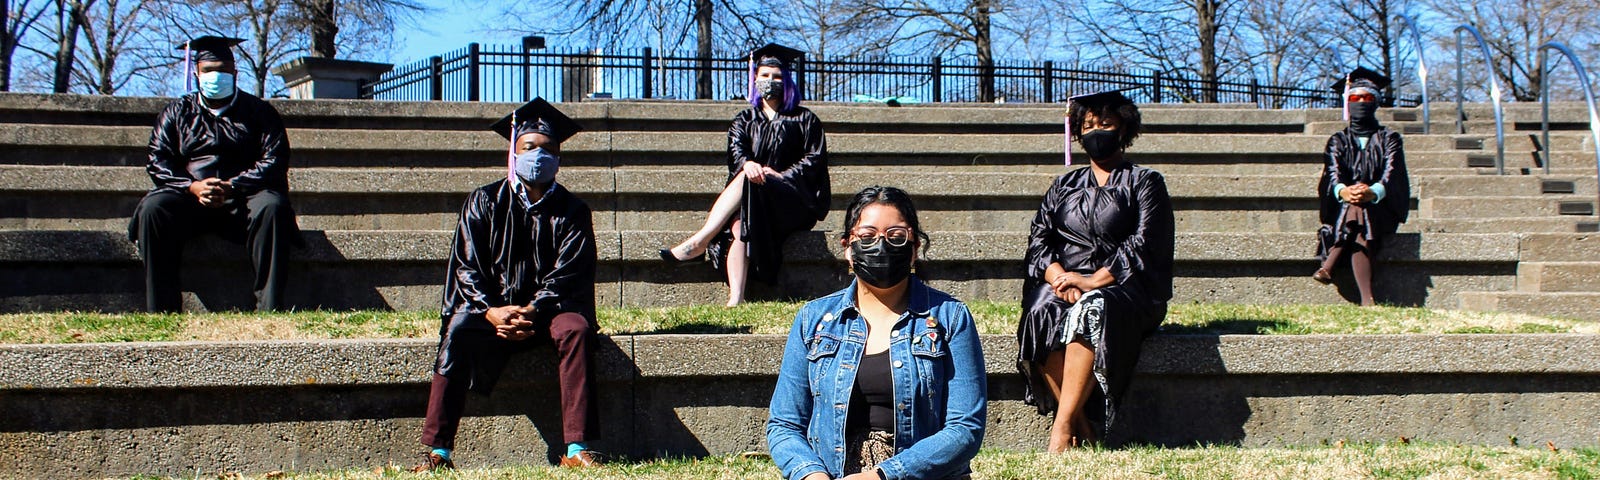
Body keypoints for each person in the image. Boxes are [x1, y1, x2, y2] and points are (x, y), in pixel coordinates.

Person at [414, 98, 601, 471]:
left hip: (548, 312)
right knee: (458, 327)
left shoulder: (573, 210)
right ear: (513, 152)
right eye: (529, 147)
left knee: (576, 329)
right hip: (491, 312)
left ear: (559, 158)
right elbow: (466, 268)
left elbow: (568, 274)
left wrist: (532, 309)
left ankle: (578, 449)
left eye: (548, 149)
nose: (539, 156)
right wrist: (491, 310)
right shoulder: (483, 201)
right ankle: (438, 451)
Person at [768, 186, 986, 480]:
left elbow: (965, 429)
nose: (881, 247)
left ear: (914, 249)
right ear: (848, 247)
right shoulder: (813, 320)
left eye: (895, 236)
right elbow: (784, 424)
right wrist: (810, 474)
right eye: (867, 236)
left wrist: (885, 475)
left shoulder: (950, 317)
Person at [1015, 89, 1174, 452]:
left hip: (1126, 289)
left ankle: (1061, 429)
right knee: (1040, 312)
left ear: (1123, 129)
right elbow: (1040, 239)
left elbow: (1145, 243)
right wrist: (1058, 277)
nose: (1096, 131)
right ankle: (1081, 425)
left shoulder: (1145, 182)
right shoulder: (1064, 185)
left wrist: (1092, 281)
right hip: (1065, 281)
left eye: (1105, 124)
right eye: (1087, 125)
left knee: (1093, 307)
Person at [128, 36, 296, 313]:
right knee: (153, 208)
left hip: (244, 200)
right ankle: (162, 309)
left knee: (273, 207)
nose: (215, 76)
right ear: (196, 73)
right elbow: (158, 160)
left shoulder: (260, 112)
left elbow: (274, 160)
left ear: (235, 73)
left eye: (222, 70)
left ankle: (270, 307)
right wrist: (192, 186)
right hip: (190, 199)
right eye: (208, 70)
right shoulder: (176, 112)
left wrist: (234, 185)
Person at [659, 43, 830, 306]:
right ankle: (736, 298)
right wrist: (749, 165)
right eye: (764, 76)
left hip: (791, 199)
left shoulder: (805, 120)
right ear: (755, 78)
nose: (770, 81)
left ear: (786, 81)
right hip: (754, 195)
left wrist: (779, 175)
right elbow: (736, 155)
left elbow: (814, 160)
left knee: (750, 181)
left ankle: (700, 240)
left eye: (776, 76)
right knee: (740, 221)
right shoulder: (744, 120)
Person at [1313, 67, 1410, 306]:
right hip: (1344, 208)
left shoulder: (1389, 138)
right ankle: (1368, 299)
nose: (1361, 103)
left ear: (1376, 102)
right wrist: (1344, 191)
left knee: (1361, 210)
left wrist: (1373, 192)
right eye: (1355, 98)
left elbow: (1392, 172)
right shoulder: (1338, 140)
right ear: (1348, 102)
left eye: (1367, 98)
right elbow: (1333, 173)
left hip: (1382, 208)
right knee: (1357, 212)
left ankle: (1329, 264)